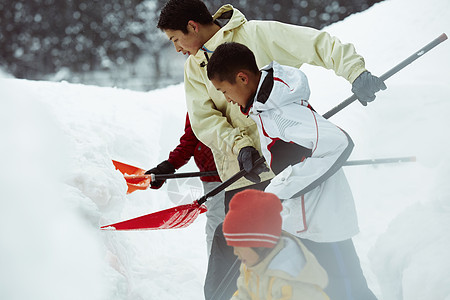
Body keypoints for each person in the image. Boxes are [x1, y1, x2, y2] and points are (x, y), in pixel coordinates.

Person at [157, 1, 385, 298]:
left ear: (192, 26)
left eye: (176, 39)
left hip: (287, 164)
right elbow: (204, 121)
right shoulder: (194, 67)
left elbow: (316, 43)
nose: (177, 48)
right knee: (236, 258)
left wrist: (355, 72)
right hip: (243, 174)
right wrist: (241, 147)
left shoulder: (255, 35)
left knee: (316, 260)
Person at [207, 41, 379, 299]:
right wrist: (268, 161)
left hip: (324, 222)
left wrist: (276, 189)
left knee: (351, 293)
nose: (227, 100)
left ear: (242, 78)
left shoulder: (281, 111)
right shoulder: (266, 106)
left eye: (224, 90)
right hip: (304, 220)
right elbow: (299, 151)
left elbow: (338, 144)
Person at [223, 189, 329, 300]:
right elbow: (244, 293)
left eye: (239, 247)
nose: (235, 252)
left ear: (260, 244)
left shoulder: (291, 283)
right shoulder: (251, 266)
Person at [145, 112, 223, 255]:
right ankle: (217, 273)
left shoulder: (238, 92)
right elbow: (189, 141)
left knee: (245, 225)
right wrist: (168, 167)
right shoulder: (197, 98)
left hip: (246, 172)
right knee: (217, 226)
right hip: (214, 177)